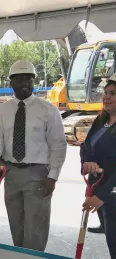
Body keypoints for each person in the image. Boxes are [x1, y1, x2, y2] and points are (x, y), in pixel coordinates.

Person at [0, 60, 67, 251]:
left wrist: (53, 176)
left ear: (34, 81)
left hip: (38, 174)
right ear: (11, 83)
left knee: (36, 227)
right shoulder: (2, 110)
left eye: (28, 79)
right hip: (11, 173)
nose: (24, 82)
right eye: (19, 79)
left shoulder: (48, 109)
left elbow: (58, 144)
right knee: (16, 223)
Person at [80, 74, 116, 258]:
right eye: (106, 92)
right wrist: (86, 162)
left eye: (113, 93)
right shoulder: (100, 121)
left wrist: (102, 196)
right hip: (99, 191)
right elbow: (85, 146)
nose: (106, 97)